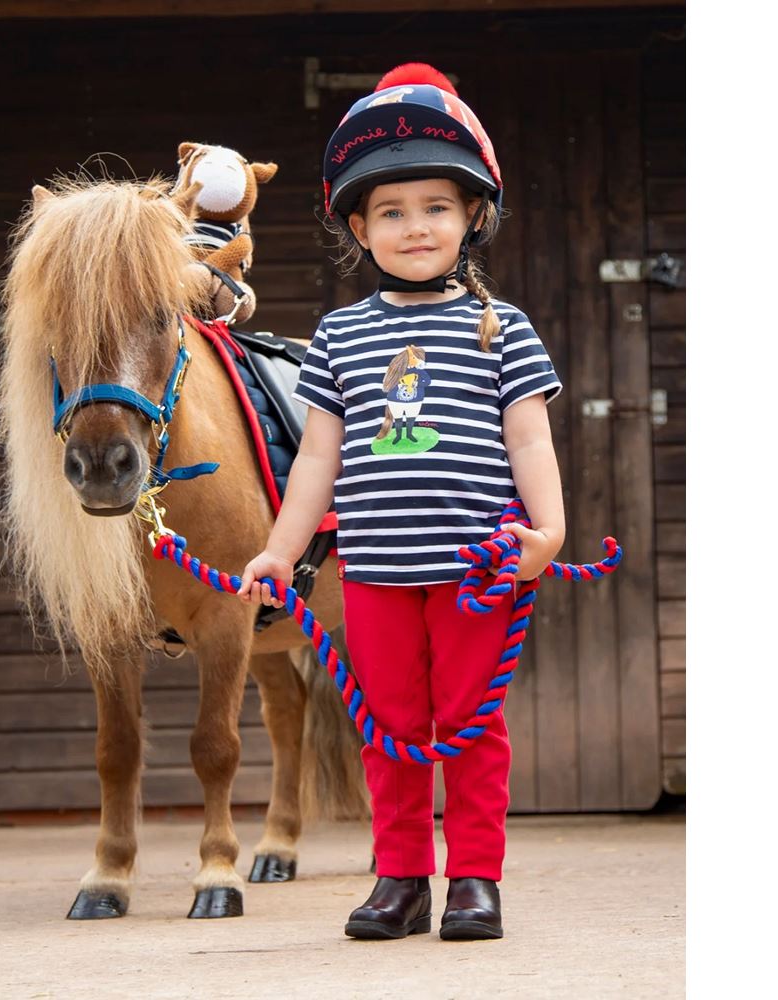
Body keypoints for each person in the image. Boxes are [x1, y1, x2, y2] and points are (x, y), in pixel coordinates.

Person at [237, 63, 565, 942]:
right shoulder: (342, 335)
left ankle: (474, 879)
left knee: (470, 724)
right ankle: (401, 876)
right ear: (358, 225)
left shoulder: (504, 328)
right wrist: (280, 549)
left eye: (434, 207)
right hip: (375, 570)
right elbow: (317, 454)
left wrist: (549, 529)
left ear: (471, 218)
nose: (414, 226)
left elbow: (529, 438)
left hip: (474, 570)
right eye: (390, 211)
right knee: (388, 729)